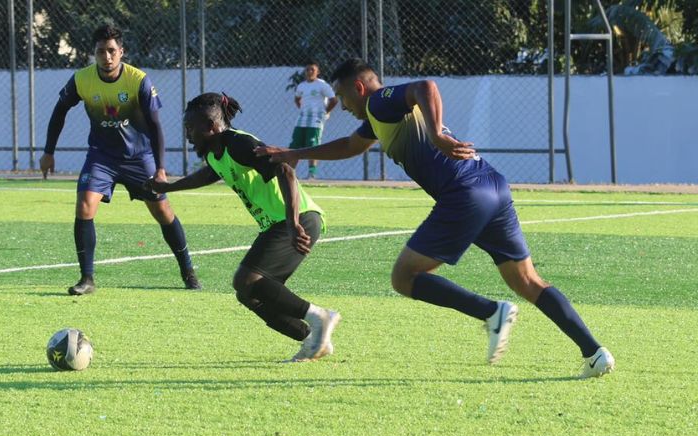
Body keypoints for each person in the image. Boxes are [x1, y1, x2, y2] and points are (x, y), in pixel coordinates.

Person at [256, 59, 615, 378]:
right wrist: (292, 153)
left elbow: (426, 87)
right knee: (528, 280)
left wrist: (437, 133)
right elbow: (349, 146)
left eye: (342, 96)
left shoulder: (380, 101)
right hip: (493, 186)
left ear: (359, 88)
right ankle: (594, 352)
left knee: (404, 276)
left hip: (463, 193)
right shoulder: (377, 120)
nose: (342, 105)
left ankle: (492, 312)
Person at [144, 92, 340, 362]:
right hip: (279, 223)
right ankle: (312, 339)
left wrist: (294, 222)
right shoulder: (216, 152)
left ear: (211, 127)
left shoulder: (238, 143)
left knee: (245, 279)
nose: (188, 135)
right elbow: (210, 173)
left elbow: (285, 171)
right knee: (248, 293)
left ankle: (320, 317)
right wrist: (169, 187)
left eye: (191, 129)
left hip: (297, 219)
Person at [39, 24, 201, 295]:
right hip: (101, 157)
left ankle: (188, 271)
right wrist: (48, 152)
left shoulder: (139, 81)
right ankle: (87, 279)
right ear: (94, 54)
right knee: (84, 206)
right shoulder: (81, 79)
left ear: (121, 52)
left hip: (139, 158)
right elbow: (59, 112)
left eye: (112, 51)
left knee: (162, 211)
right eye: (101, 51)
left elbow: (155, 126)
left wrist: (160, 168)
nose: (107, 57)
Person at [290, 60, 338, 179]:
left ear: (318, 72)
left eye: (312, 69)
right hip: (302, 119)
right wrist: (303, 109)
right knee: (295, 144)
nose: (309, 72)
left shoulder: (322, 85)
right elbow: (297, 99)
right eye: (307, 69)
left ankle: (312, 173)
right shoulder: (301, 85)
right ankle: (290, 172)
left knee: (312, 144)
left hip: (316, 120)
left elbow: (334, 100)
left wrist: (325, 112)